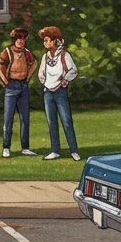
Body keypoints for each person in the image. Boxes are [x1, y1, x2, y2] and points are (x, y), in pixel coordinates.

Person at [37, 26, 81, 161]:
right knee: (52, 122)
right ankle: (55, 150)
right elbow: (41, 74)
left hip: (60, 92)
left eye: (47, 40)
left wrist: (64, 81)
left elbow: (73, 70)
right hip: (48, 93)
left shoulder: (64, 55)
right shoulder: (45, 57)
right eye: (44, 41)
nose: (45, 43)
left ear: (55, 40)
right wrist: (46, 84)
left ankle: (74, 150)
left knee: (67, 121)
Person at [0, 27, 38, 158]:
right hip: (11, 86)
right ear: (14, 39)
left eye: (24, 38)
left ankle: (25, 147)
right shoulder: (7, 51)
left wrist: (27, 77)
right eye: (19, 38)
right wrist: (5, 81)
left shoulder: (26, 52)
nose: (21, 41)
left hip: (23, 86)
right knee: (8, 119)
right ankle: (6, 147)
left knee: (25, 118)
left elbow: (34, 63)